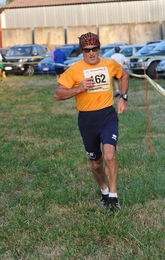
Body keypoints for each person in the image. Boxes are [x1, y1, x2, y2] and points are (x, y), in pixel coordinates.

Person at [54, 32, 129, 212]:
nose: (91, 53)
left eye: (94, 49)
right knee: (96, 163)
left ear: (99, 49)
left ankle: (113, 198)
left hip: (107, 116)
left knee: (110, 156)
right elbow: (58, 94)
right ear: (82, 51)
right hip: (87, 120)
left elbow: (124, 76)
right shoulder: (74, 70)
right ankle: (104, 190)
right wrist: (79, 88)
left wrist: (123, 98)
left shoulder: (110, 64)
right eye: (87, 50)